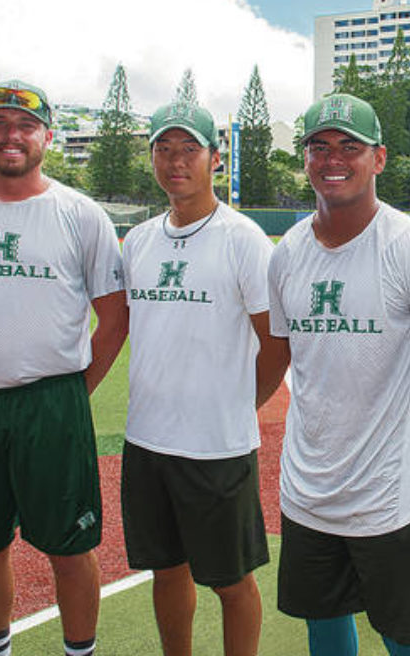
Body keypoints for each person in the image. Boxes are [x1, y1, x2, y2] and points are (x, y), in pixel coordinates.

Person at [0, 80, 128, 656]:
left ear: (47, 136)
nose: (12, 136)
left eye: (25, 126)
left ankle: (79, 652)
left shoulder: (80, 214)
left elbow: (113, 319)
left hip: (52, 399)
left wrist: (72, 390)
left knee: (70, 545)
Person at [267, 93, 410, 656]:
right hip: (309, 489)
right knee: (324, 626)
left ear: (378, 158)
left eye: (349, 147)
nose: (333, 158)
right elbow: (290, 356)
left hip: (393, 496)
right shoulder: (287, 254)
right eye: (319, 146)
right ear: (305, 159)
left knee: (403, 636)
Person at [120, 101, 288, 656]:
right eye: (163, 150)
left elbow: (276, 343)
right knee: (165, 572)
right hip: (147, 441)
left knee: (230, 580)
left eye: (189, 149)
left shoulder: (242, 239)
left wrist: (240, 406)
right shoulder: (139, 241)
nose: (175, 161)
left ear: (214, 159)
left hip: (215, 447)